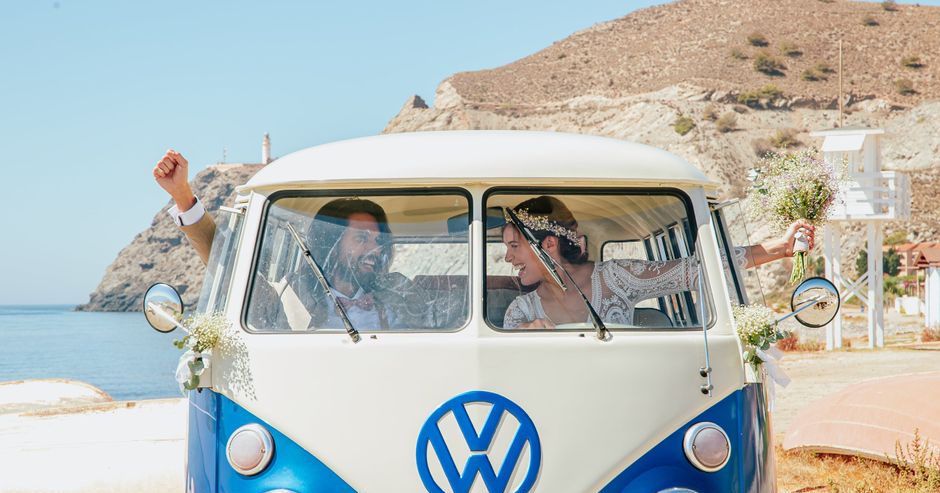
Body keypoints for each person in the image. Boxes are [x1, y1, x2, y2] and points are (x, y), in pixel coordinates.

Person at [152, 150, 428, 331]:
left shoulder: (398, 295)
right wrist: (183, 197)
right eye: (361, 239)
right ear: (332, 242)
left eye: (379, 241)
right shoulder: (291, 296)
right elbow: (228, 269)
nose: (374, 250)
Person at [500, 195, 815, 329]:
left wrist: (780, 247)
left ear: (550, 245)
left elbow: (696, 270)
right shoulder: (520, 313)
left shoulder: (617, 277)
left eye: (515, 246)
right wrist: (526, 334)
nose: (508, 257)